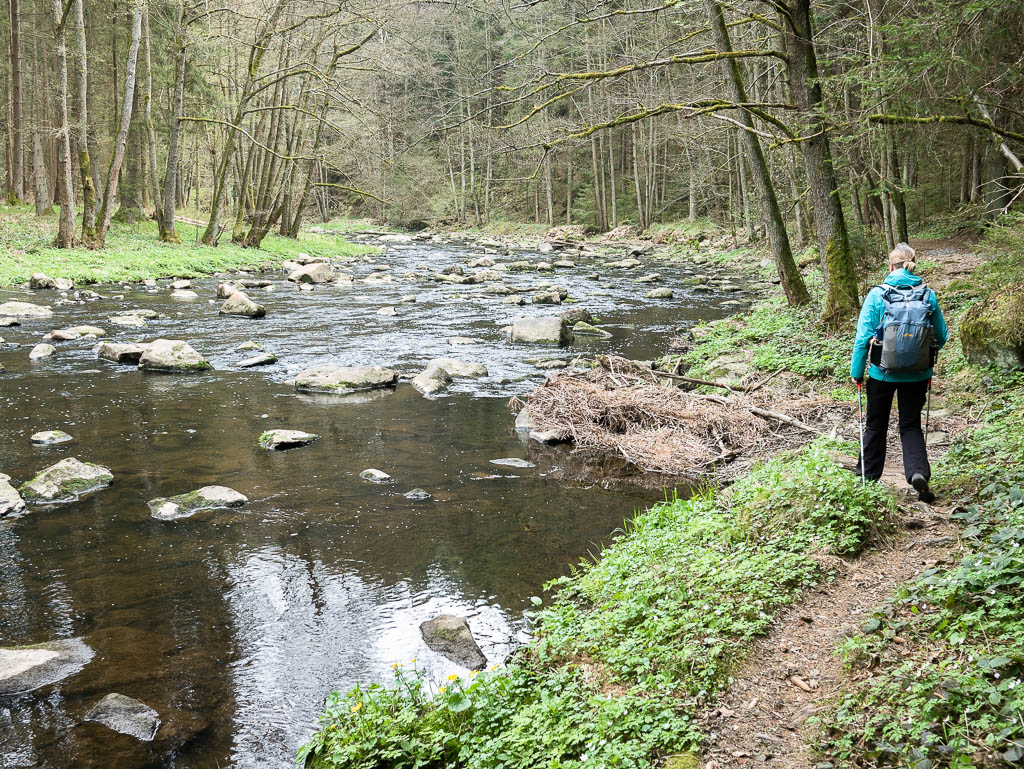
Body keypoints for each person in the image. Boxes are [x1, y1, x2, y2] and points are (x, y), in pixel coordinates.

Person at [850, 243, 948, 502]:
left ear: (890, 266)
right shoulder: (927, 295)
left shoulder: (877, 295)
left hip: (882, 374)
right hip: (918, 374)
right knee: (910, 425)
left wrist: (857, 372)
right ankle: (918, 473)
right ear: (913, 264)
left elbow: (862, 340)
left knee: (875, 425)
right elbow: (942, 336)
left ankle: (866, 479)